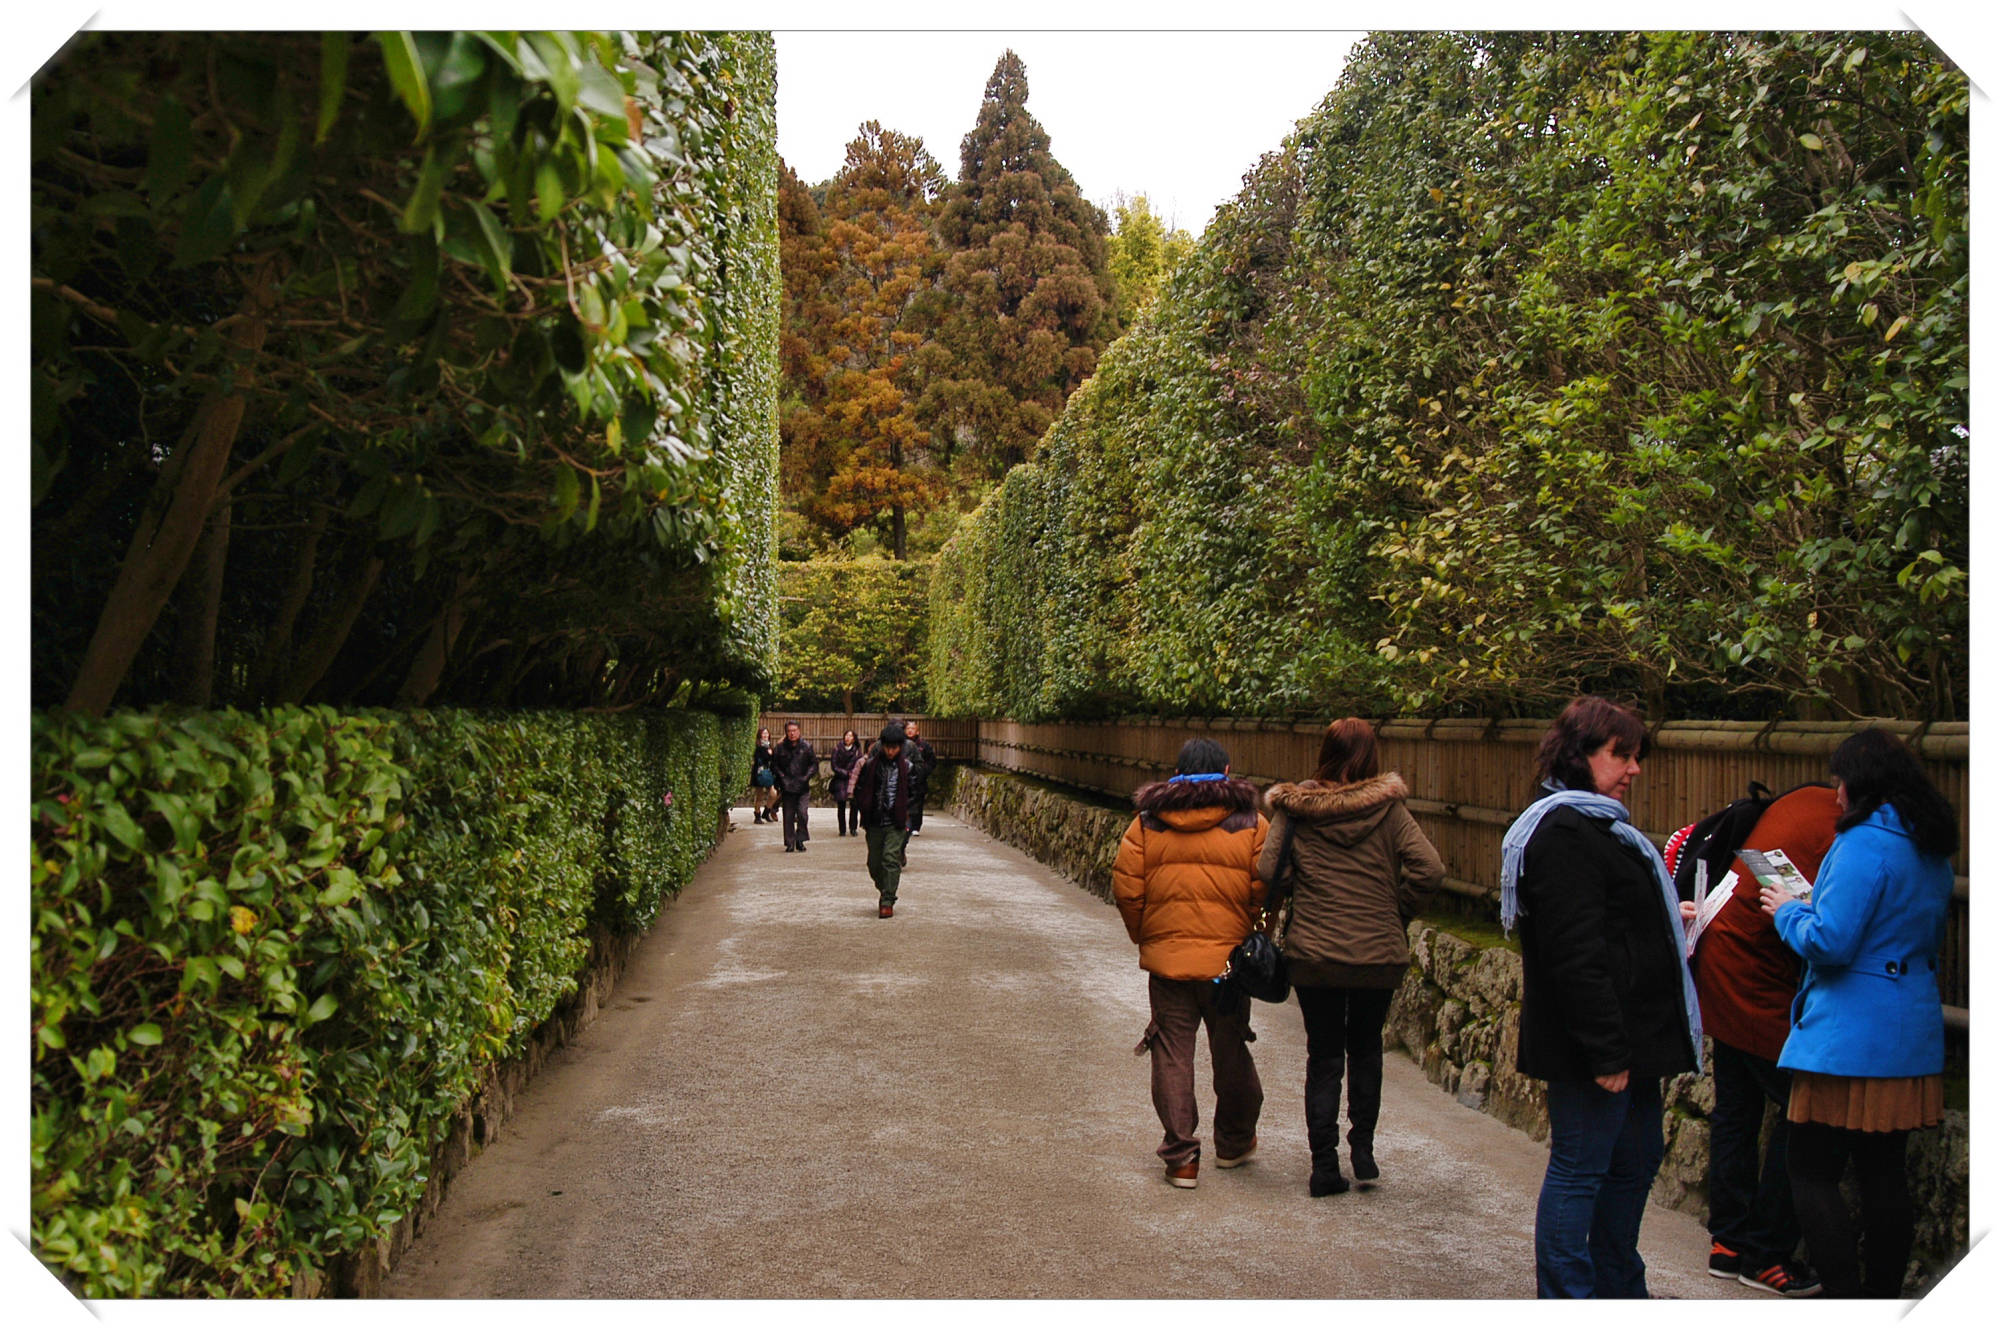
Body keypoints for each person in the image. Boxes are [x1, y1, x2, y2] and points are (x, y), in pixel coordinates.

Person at [1499, 695, 1702, 1298]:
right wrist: (1606, 1052)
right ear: (1578, 754)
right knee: (1581, 1170)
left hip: (1631, 1040)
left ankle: (1619, 1286)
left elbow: (1608, 921)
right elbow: (1575, 954)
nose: (1634, 768)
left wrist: (1663, 916)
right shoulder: (1563, 832)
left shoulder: (1599, 825)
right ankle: (1569, 1297)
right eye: (1621, 755)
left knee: (1634, 1162)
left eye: (1637, 756)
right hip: (1597, 1046)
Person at [1759, 729, 1956, 1300]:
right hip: (1909, 1028)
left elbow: (1831, 942)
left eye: (1840, 782)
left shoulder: (1862, 842)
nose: (1837, 795)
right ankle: (1882, 1299)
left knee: (1810, 1169)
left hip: (1846, 1035)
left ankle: (1844, 1299)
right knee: (1883, 1173)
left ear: (1862, 785)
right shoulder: (1929, 843)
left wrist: (1788, 911)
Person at [1260, 717, 1443, 1197]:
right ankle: (1363, 1149)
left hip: (1315, 954)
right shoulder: (1389, 810)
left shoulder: (1298, 808)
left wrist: (1302, 887)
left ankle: (1324, 1166)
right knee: (1365, 1048)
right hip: (1377, 954)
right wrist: (1397, 910)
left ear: (1325, 753)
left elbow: (1268, 869)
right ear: (1370, 756)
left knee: (1323, 1055)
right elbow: (1429, 869)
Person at [1683, 785, 1839, 1297]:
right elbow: (1833, 924)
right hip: (1755, 973)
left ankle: (1729, 1242)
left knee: (1737, 1108)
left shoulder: (1800, 803)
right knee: (1805, 1107)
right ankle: (1766, 1253)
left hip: (1717, 953)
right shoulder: (1844, 824)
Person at [1112, 738, 1269, 1190]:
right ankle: (1234, 1142)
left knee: (1172, 1052)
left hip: (1169, 964)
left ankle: (1182, 1157)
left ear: (1176, 775)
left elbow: (1127, 889)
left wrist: (1148, 936)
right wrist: (1249, 934)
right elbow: (1264, 887)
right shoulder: (1252, 823)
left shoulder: (1147, 823)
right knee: (1230, 1047)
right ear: (1227, 771)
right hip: (1228, 965)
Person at [852, 721, 913, 917]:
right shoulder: (871, 766)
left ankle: (887, 899)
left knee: (890, 859)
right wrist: (864, 807)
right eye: (887, 747)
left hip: (896, 821)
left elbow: (914, 793)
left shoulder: (907, 767)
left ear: (900, 747)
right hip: (874, 820)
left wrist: (907, 814)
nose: (890, 751)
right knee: (874, 863)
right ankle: (885, 887)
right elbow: (861, 789)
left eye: (894, 747)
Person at [771, 720, 817, 852]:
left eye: (794, 730)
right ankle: (790, 842)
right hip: (787, 786)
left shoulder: (806, 747)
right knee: (788, 815)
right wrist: (782, 777)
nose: (792, 733)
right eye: (789, 731)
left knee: (802, 813)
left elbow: (814, 764)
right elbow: (774, 765)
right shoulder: (780, 748)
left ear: (799, 731)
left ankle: (800, 839)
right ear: (786, 732)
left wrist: (806, 777)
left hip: (802, 786)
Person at [903, 720, 937, 837]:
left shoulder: (924, 745)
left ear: (917, 731)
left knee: (918, 803)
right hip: (904, 779)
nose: (910, 730)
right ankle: (905, 825)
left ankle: (916, 826)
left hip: (918, 780)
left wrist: (923, 772)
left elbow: (932, 761)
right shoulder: (901, 744)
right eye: (908, 728)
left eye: (913, 729)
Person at [830, 729, 863, 836]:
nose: (848, 737)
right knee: (841, 805)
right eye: (846, 735)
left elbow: (859, 764)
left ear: (854, 738)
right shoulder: (837, 749)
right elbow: (834, 765)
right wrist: (844, 773)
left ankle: (853, 828)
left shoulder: (857, 751)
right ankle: (842, 829)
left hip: (853, 779)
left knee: (854, 805)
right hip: (840, 779)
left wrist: (852, 774)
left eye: (850, 736)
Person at [750, 727, 777, 824]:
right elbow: (761, 759)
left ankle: (766, 811)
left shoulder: (769, 746)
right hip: (759, 773)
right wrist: (769, 754)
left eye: (767, 733)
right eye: (763, 733)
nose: (765, 735)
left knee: (773, 794)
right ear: (760, 735)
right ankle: (757, 815)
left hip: (768, 773)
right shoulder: (758, 747)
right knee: (759, 796)